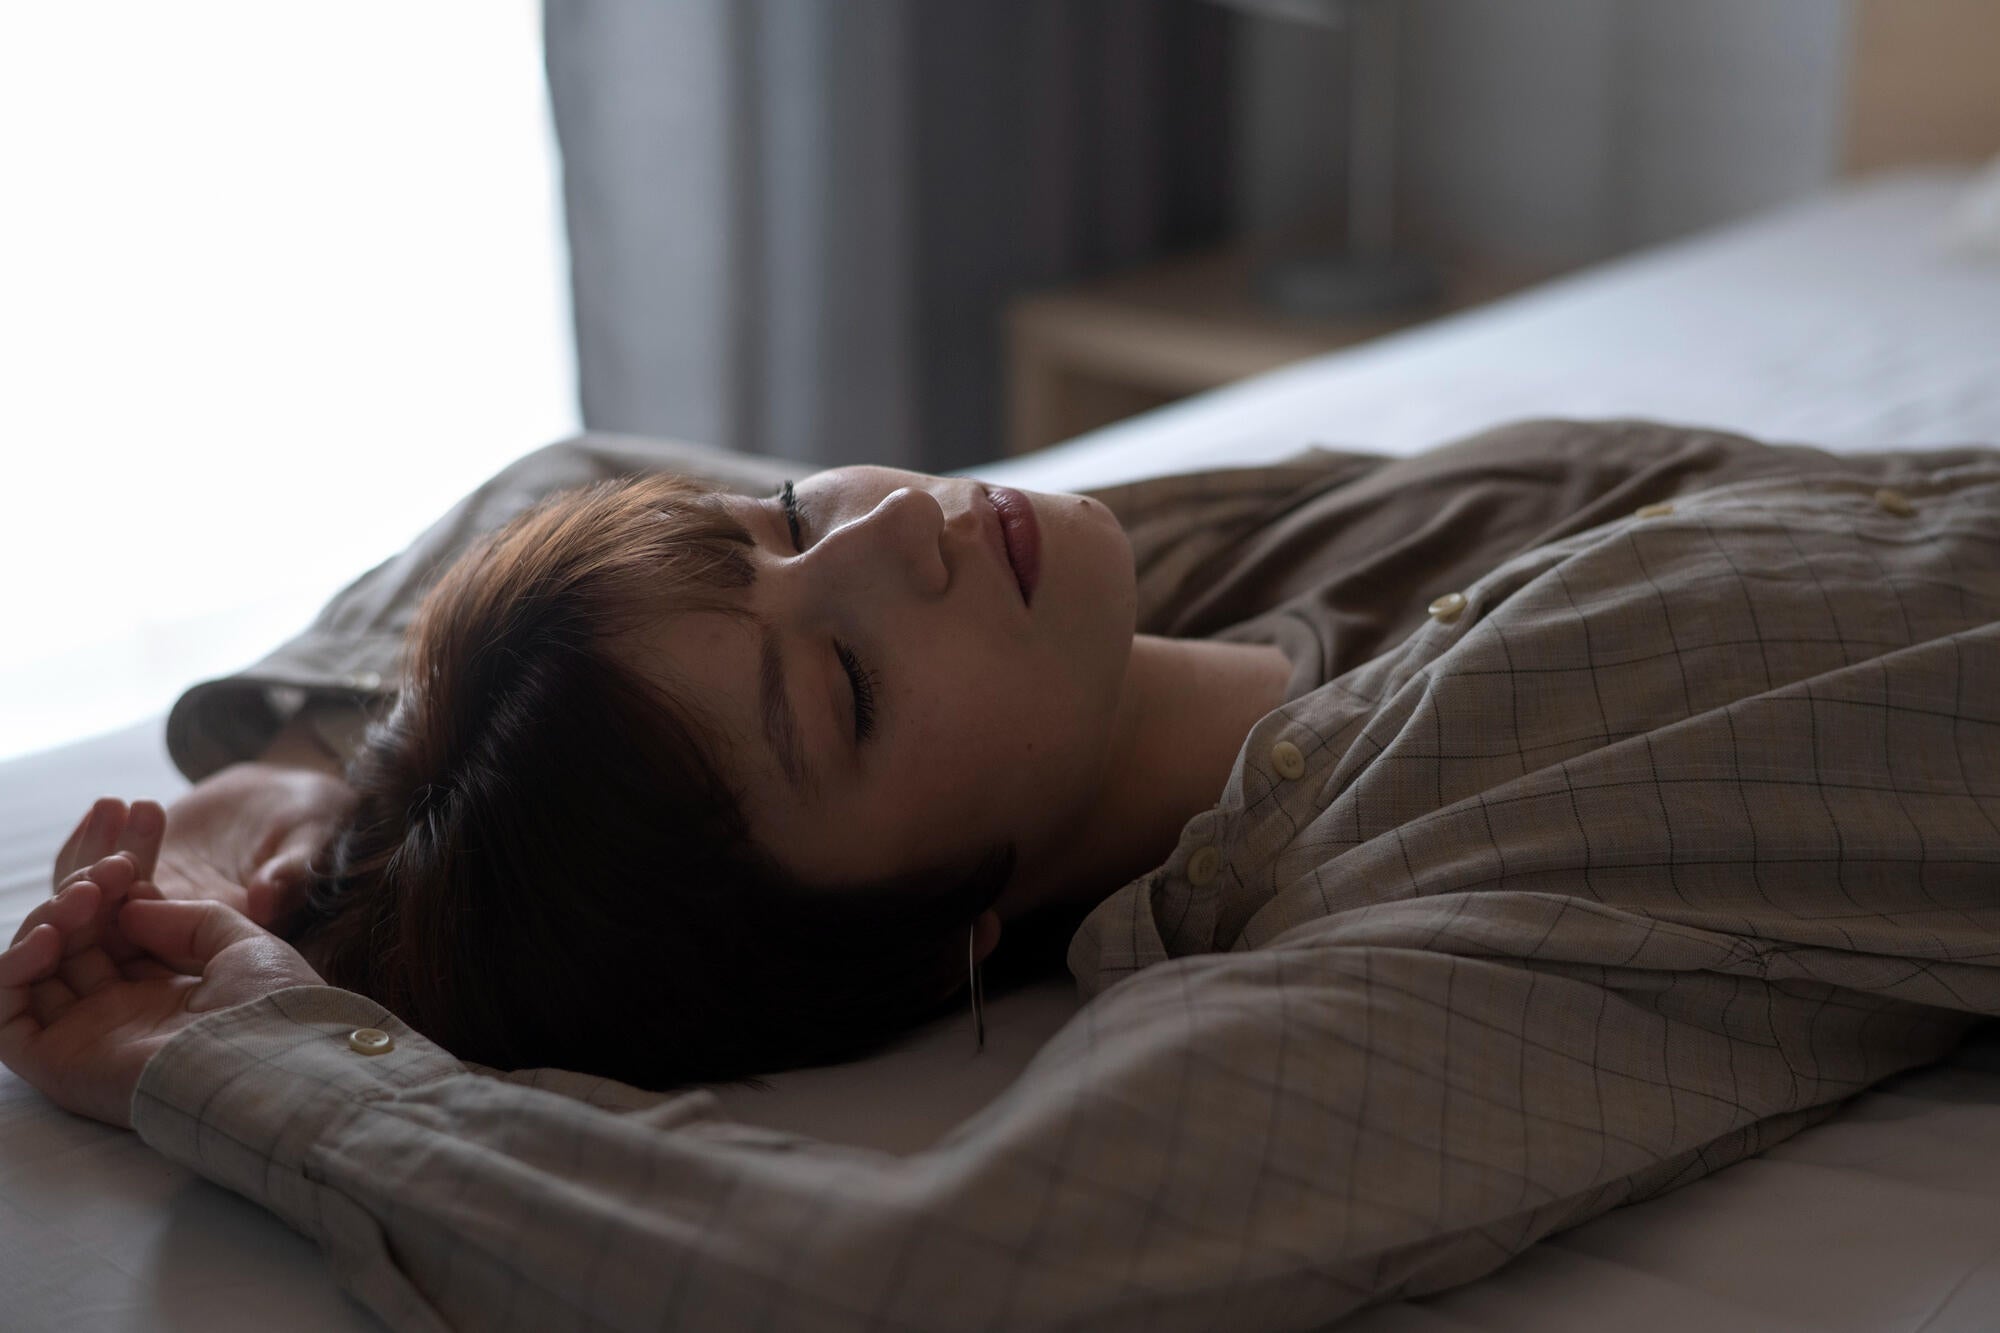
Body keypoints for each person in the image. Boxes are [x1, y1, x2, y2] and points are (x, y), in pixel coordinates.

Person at [5, 416, 2000, 1332]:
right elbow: (919, 1269)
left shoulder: (1211, 569)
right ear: (957, 926)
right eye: (844, 690)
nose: (893, 537)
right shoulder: (1444, 878)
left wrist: (306, 779)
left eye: (779, 519)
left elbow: (554, 477)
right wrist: (252, 1048)